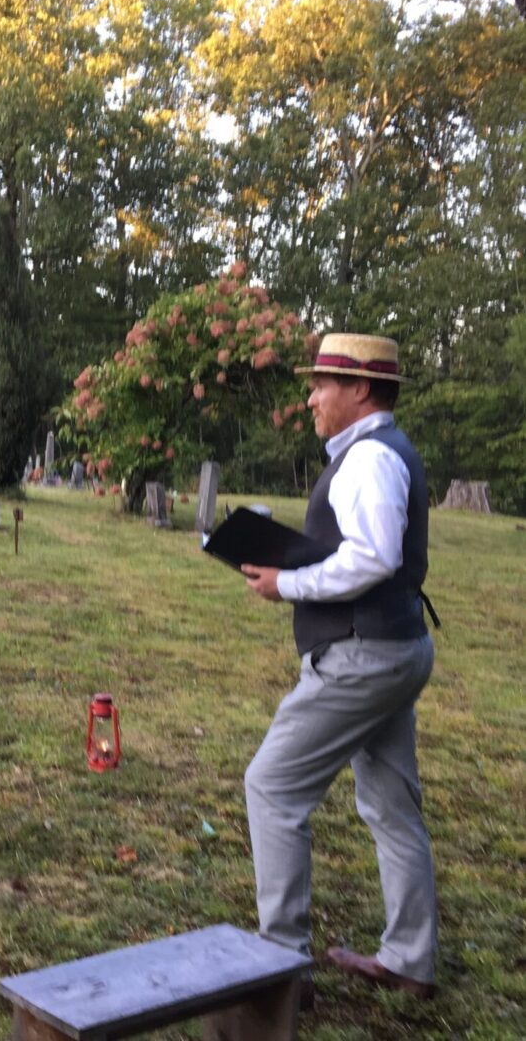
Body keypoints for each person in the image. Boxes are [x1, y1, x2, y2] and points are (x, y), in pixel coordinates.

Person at [240, 333, 437, 1000]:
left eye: (321, 384)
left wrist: (284, 585)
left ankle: (280, 965)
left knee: (271, 786)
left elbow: (373, 557)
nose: (310, 396)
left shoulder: (368, 459)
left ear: (359, 390)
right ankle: (409, 957)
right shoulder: (380, 451)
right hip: (396, 648)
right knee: (389, 804)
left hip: (360, 658)